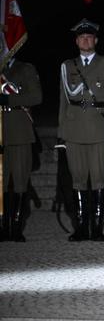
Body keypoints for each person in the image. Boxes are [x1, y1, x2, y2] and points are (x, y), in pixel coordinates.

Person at [58, 19, 104, 242]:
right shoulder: (67, 66)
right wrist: (62, 131)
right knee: (77, 179)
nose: (85, 40)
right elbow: (63, 101)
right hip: (74, 129)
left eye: (89, 37)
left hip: (98, 128)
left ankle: (96, 226)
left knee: (97, 179)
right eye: (81, 37)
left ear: (96, 40)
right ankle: (81, 225)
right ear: (76, 42)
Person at [0, 57, 42, 242]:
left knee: (19, 182)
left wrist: (8, 99)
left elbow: (35, 97)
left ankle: (16, 228)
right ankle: (3, 227)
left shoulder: (25, 68)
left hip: (19, 131)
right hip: (0, 131)